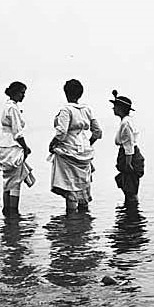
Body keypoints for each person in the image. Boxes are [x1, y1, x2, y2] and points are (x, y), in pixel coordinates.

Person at [48, 79, 102, 212]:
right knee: (83, 185)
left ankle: (72, 223)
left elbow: (61, 131)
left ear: (66, 93)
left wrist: (52, 144)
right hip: (84, 149)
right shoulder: (87, 109)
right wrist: (88, 144)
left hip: (69, 149)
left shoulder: (66, 110)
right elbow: (97, 131)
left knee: (69, 186)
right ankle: (83, 221)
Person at [0, 81, 33, 215]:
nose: (23, 95)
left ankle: (8, 216)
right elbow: (17, 132)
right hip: (12, 145)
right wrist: (26, 147)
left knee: (7, 182)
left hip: (3, 144)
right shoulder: (13, 108)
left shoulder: (8, 106)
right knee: (15, 183)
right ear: (15, 93)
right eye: (22, 92)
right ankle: (13, 214)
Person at [111, 90, 145, 204]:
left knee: (130, 188)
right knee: (128, 185)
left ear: (120, 108)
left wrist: (128, 163)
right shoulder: (126, 121)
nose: (113, 109)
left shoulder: (126, 123)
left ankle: (132, 215)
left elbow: (128, 144)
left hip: (129, 156)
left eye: (115, 106)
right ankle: (130, 214)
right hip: (128, 154)